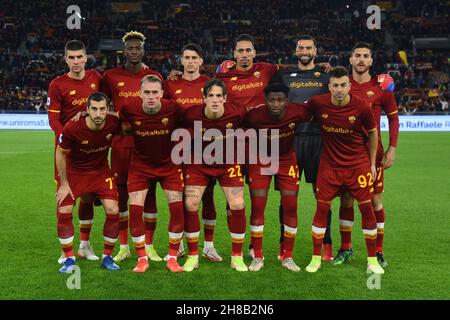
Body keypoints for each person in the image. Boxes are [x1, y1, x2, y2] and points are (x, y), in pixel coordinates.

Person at [302, 66, 385, 275]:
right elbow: (297, 112)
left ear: (349, 86)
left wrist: (372, 163)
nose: (339, 89)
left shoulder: (362, 107)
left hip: (357, 165)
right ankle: (315, 258)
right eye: (335, 85)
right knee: (321, 208)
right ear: (329, 87)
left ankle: (372, 259)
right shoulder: (317, 103)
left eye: (343, 85)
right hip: (329, 166)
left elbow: (373, 134)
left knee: (366, 208)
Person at [333, 43, 399, 268]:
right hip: (345, 154)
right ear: (350, 60)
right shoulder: (340, 85)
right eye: (357, 56)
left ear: (371, 61)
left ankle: (378, 251)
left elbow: (393, 118)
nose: (361, 60)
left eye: (365, 56)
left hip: (373, 154)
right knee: (346, 199)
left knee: (375, 200)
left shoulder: (382, 88)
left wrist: (392, 148)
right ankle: (345, 248)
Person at [101, 31, 164, 263]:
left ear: (143, 50)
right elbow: (101, 104)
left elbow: (162, 104)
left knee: (149, 195)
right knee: (122, 196)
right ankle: (124, 246)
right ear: (124, 51)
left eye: (138, 48)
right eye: (130, 48)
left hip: (148, 143)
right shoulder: (109, 76)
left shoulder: (154, 75)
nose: (134, 51)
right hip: (120, 144)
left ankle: (149, 245)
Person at [272, 35, 334, 262]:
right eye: (301, 47)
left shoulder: (327, 75)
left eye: (309, 47)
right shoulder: (283, 74)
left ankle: (326, 243)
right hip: (290, 140)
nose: (305, 50)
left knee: (323, 195)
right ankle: (283, 242)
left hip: (320, 141)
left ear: (316, 51)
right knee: (288, 196)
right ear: (296, 51)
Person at [118, 75, 184, 273]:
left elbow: (190, 120)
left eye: (155, 92)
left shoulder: (173, 108)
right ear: (140, 94)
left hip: (169, 166)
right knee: (135, 210)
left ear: (162, 94)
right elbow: (116, 120)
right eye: (147, 92)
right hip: (140, 167)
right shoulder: (129, 109)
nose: (151, 97)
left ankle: (172, 258)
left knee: (177, 209)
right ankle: (142, 259)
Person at [181, 79, 248, 272]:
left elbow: (252, 121)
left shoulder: (238, 111)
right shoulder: (191, 114)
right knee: (191, 203)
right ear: (204, 98)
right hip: (199, 164)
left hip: (228, 164)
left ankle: (237, 256)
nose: (215, 100)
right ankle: (193, 255)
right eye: (211, 96)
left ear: (225, 98)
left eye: (219, 96)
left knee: (237, 204)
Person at [243, 82, 311, 272]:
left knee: (291, 205)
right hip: (261, 159)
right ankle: (257, 256)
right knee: (257, 206)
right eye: (272, 100)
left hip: (286, 160)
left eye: (280, 100)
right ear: (265, 101)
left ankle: (288, 257)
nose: (276, 104)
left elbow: (318, 116)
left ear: (286, 101)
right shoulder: (254, 115)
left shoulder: (298, 112)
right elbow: (240, 130)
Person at [164, 43, 221, 261]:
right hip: (179, 149)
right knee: (179, 197)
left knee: (208, 197)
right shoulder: (170, 84)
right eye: (186, 57)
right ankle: (178, 244)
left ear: (200, 61)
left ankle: (208, 246)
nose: (190, 61)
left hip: (207, 150)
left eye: (194, 57)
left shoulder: (209, 84)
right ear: (181, 60)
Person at [47, 40, 102, 263]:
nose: (76, 61)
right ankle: (65, 250)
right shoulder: (57, 84)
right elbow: (53, 118)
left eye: (80, 56)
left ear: (86, 57)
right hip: (66, 149)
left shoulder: (97, 79)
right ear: (65, 59)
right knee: (65, 198)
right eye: (72, 57)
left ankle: (85, 245)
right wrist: (67, 139)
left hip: (91, 150)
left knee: (88, 197)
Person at [55, 92, 122, 273]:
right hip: (75, 172)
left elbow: (130, 126)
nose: (98, 114)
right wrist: (63, 183)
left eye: (102, 109)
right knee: (64, 209)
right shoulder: (73, 127)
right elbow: (60, 152)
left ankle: (107, 257)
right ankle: (69, 259)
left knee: (113, 209)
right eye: (94, 109)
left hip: (101, 172)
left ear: (108, 110)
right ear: (87, 110)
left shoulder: (114, 122)